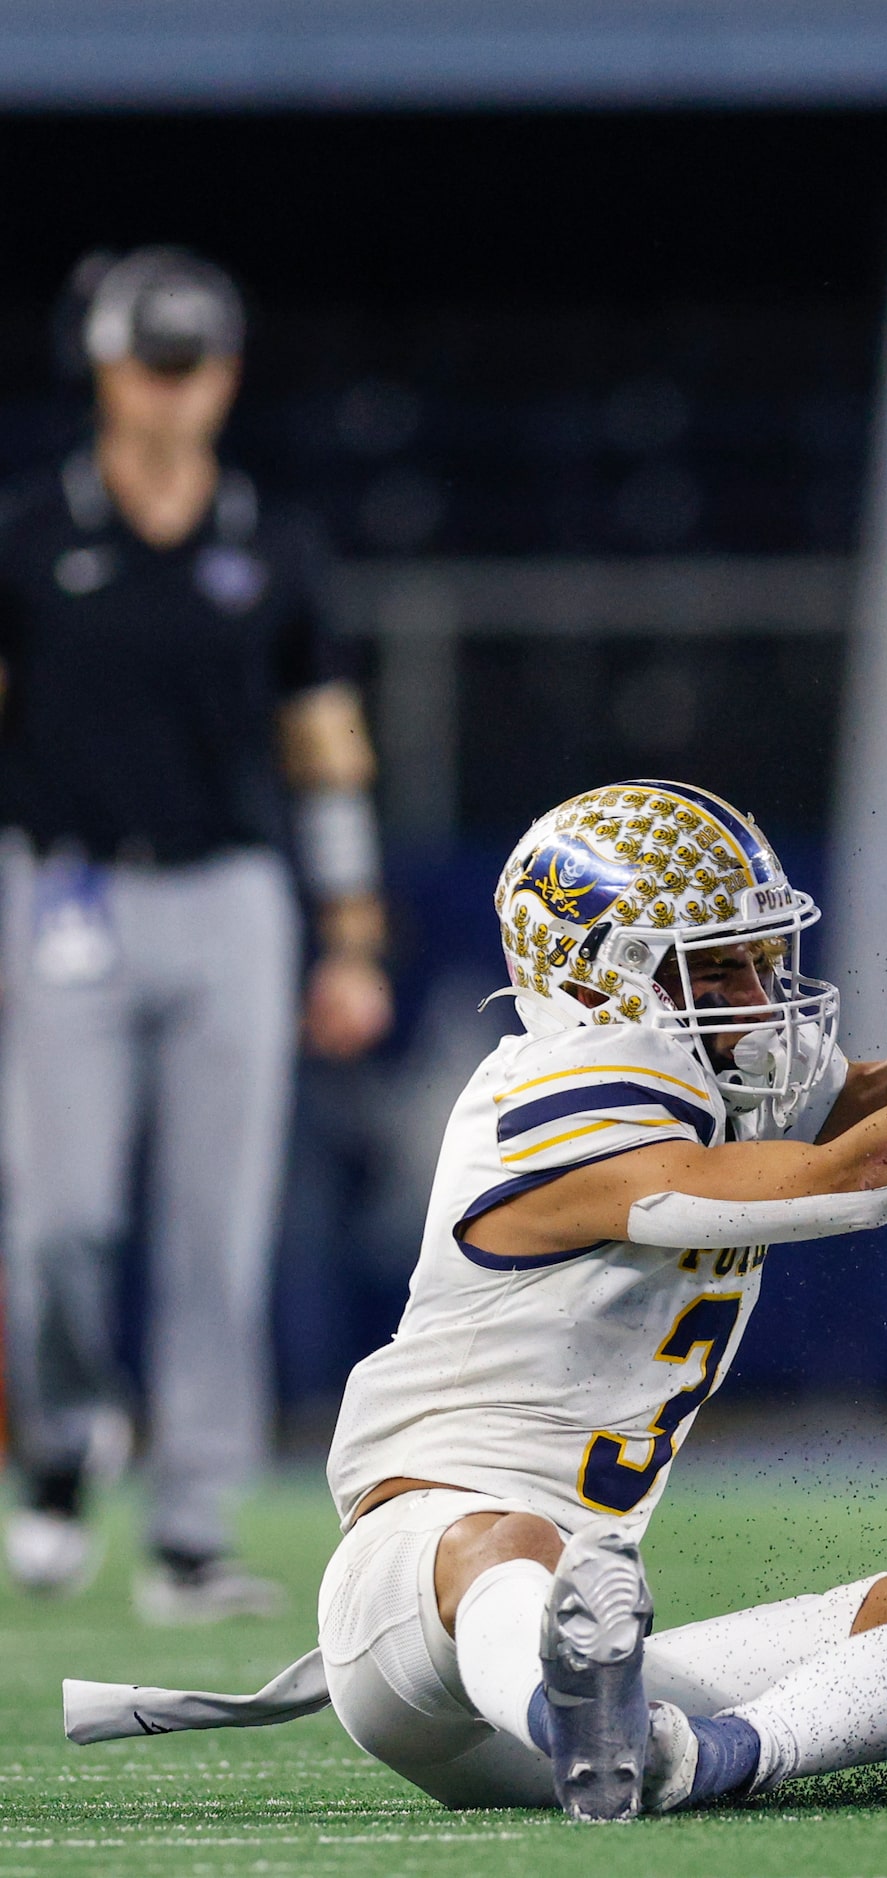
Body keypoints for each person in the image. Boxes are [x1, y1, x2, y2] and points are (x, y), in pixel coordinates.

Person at [65, 780, 887, 1819]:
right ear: (593, 980)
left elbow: (868, 1105)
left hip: (583, 1634)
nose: (758, 995)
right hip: (418, 1601)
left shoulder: (694, 1075)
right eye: (714, 969)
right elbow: (851, 1180)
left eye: (763, 958)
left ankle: (690, 1759)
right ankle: (588, 1712)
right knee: (510, 1541)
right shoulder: (561, 1100)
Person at [0, 248, 394, 1619]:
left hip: (232, 895)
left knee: (219, 1231)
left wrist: (349, 937)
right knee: (59, 1217)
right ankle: (55, 1446)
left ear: (224, 373)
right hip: (66, 890)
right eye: (151, 364)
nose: (174, 393)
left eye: (195, 365)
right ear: (104, 370)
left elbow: (327, 745)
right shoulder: (27, 537)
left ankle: (189, 1529)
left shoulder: (268, 545)